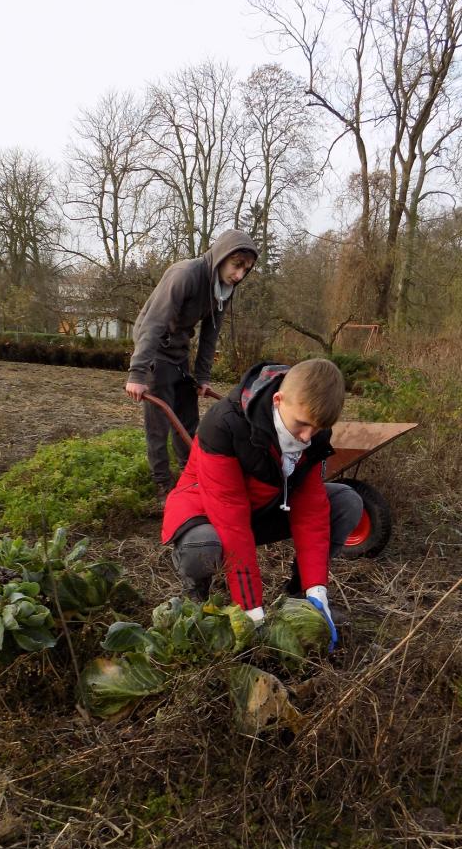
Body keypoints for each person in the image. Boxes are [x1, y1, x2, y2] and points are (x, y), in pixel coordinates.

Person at [161, 358, 363, 649]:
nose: (307, 437)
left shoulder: (314, 434)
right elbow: (232, 522)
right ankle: (196, 597)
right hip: (208, 511)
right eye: (303, 425)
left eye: (316, 429)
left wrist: (317, 590)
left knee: (345, 501)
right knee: (203, 546)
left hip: (263, 506)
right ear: (278, 400)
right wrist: (252, 612)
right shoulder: (223, 426)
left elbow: (311, 511)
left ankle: (297, 598)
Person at [125, 230, 258, 500]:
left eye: (246, 269)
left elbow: (211, 334)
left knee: (188, 422)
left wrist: (202, 376)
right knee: (159, 425)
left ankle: (192, 479)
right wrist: (138, 372)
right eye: (237, 266)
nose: (239, 275)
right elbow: (154, 322)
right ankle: (163, 486)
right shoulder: (185, 274)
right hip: (155, 351)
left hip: (178, 351)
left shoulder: (224, 288)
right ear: (221, 257)